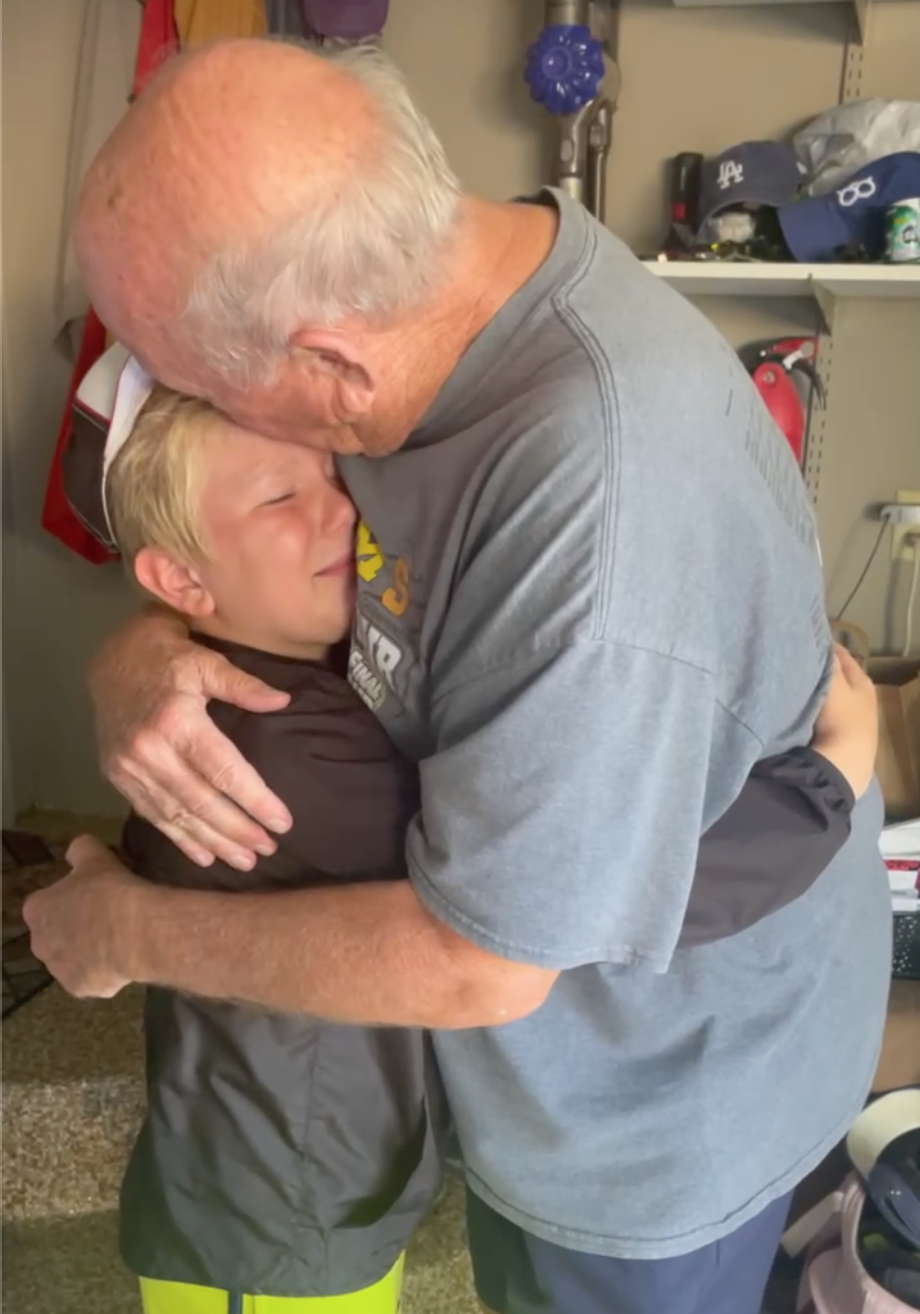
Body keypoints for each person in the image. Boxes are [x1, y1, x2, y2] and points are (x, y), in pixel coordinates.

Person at [25, 39, 893, 1314]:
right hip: (556, 1085)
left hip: (648, 1123)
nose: (336, 500)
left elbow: (489, 952)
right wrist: (145, 648)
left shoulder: (593, 520)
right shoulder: (439, 305)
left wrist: (122, 932)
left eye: (208, 383)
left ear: (326, 366)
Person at [74, 347, 447, 1313]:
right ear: (183, 582)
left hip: (305, 1183)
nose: (342, 511)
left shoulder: (301, 679)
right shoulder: (282, 758)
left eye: (333, 474)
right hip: (268, 1228)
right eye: (280, 501)